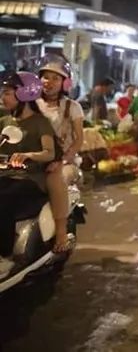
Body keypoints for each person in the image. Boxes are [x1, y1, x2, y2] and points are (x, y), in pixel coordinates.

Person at [0, 72, 61, 276]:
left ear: (24, 94)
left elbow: (49, 153)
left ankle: (4, 257)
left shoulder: (39, 122)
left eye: (7, 93)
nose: (2, 97)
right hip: (5, 176)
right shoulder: (5, 120)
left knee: (3, 200)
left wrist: (28, 155)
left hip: (30, 179)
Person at [37, 55, 84, 252]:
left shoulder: (72, 107)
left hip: (65, 161)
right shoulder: (33, 105)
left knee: (56, 178)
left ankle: (62, 231)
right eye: (45, 77)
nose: (49, 82)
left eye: (55, 78)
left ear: (65, 83)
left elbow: (79, 139)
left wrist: (63, 160)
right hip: (37, 159)